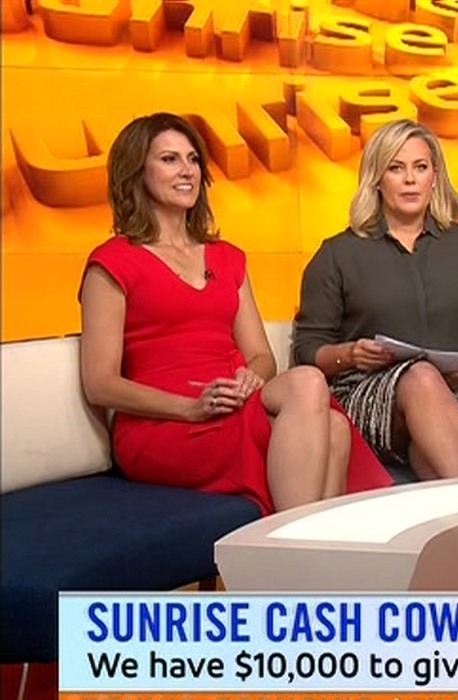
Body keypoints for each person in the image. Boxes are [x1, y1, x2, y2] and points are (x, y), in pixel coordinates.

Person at [78, 113, 393, 515]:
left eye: (193, 159)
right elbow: (100, 385)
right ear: (136, 171)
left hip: (232, 404)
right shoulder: (112, 263)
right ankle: (297, 546)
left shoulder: (228, 258)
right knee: (324, 427)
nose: (187, 171)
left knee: (318, 396)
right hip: (165, 423)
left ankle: (296, 546)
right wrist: (190, 407)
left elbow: (262, 357)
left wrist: (250, 378)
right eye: (170, 159)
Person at [293, 119, 458, 479]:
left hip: (457, 395)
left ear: (435, 177)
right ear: (377, 179)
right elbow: (308, 348)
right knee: (421, 376)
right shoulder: (338, 254)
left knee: (432, 453)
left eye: (420, 167)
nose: (410, 179)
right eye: (396, 168)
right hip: (366, 393)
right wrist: (351, 353)